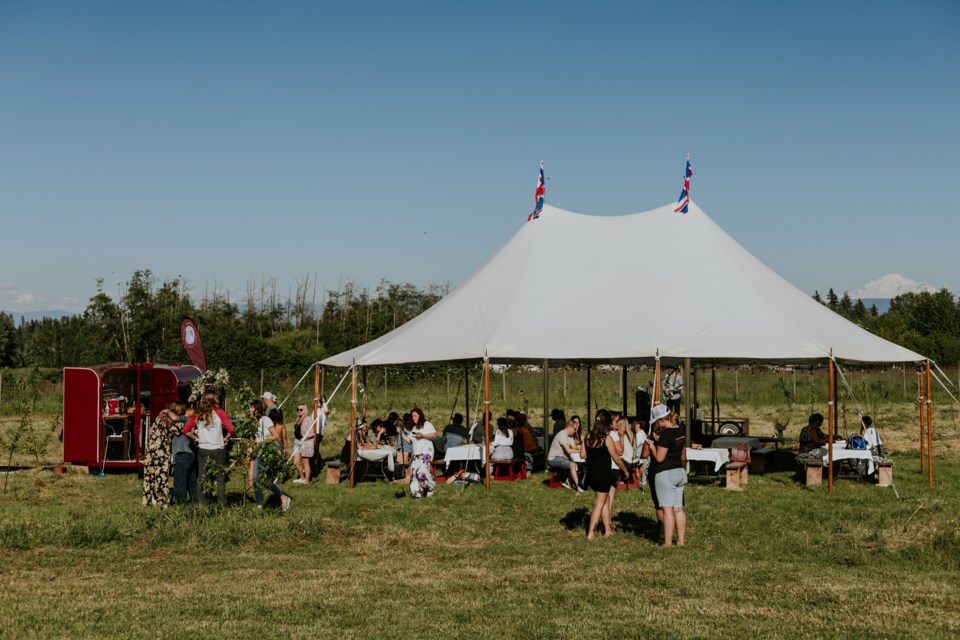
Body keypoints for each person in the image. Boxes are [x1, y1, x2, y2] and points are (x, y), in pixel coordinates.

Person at [581, 409, 629, 539]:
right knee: (599, 505)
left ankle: (607, 530)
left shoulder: (588, 436)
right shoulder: (606, 438)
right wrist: (625, 470)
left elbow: (582, 454)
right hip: (603, 474)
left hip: (592, 473)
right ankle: (591, 533)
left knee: (604, 502)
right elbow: (616, 458)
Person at [183, 392, 235, 506]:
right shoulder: (220, 413)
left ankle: (202, 504)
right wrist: (226, 438)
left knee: (202, 478)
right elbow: (231, 429)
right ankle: (221, 504)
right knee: (220, 478)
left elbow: (185, 430)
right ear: (215, 399)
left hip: (203, 449)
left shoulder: (197, 414)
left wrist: (196, 438)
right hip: (218, 449)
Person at [651, 404, 687, 547]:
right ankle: (681, 541)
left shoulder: (665, 434)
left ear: (661, 420)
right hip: (679, 471)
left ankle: (667, 542)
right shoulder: (681, 430)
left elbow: (659, 458)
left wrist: (653, 445)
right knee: (678, 509)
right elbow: (679, 450)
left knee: (667, 509)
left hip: (666, 473)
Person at [249, 400, 292, 511]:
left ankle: (282, 498)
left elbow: (276, 436)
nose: (250, 409)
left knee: (259, 479)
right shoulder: (253, 422)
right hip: (257, 452)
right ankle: (260, 505)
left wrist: (262, 442)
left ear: (257, 409)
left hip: (265, 453)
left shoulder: (265, 420)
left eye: (252, 408)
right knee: (259, 480)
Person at [141, 402, 185, 507]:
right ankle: (163, 501)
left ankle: (147, 501)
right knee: (161, 476)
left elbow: (151, 431)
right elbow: (183, 429)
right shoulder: (173, 422)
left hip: (151, 450)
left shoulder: (159, 418)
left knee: (149, 476)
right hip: (161, 451)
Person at [401, 407, 437, 498]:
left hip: (426, 452)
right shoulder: (414, 427)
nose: (413, 418)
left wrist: (422, 435)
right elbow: (409, 440)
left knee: (421, 472)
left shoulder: (426, 424)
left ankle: (429, 487)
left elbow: (433, 435)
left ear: (420, 416)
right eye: (412, 416)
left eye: (415, 415)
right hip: (416, 453)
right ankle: (416, 492)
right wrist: (400, 433)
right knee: (413, 473)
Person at [169, 402, 198, 504]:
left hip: (181, 455)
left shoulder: (178, 421)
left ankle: (181, 505)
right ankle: (196, 503)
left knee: (180, 483)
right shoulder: (188, 420)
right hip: (191, 454)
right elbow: (193, 430)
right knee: (192, 482)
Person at [547, 418, 585, 493]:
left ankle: (568, 481)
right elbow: (569, 450)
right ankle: (578, 486)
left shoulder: (570, 436)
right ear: (569, 427)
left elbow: (574, 447)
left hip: (561, 457)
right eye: (574, 429)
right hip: (553, 459)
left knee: (577, 463)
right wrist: (581, 451)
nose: (575, 431)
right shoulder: (562, 434)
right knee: (572, 465)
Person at [292, 404, 314, 485]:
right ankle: (302, 477)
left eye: (301, 409)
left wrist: (304, 439)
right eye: (297, 409)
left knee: (305, 462)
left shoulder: (308, 419)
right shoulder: (298, 419)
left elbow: (311, 433)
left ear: (305, 410)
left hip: (305, 442)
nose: (299, 411)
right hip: (297, 441)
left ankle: (307, 481)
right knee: (296, 462)